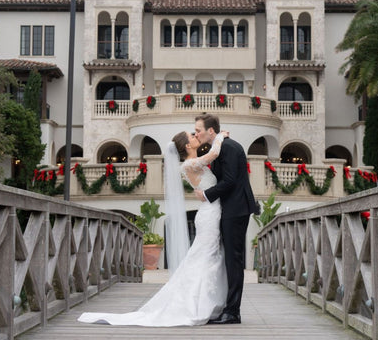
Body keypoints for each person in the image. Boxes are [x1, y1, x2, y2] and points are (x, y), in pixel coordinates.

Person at [78, 130, 229, 326]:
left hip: (210, 211)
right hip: (209, 214)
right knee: (205, 256)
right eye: (192, 135)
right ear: (187, 146)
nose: (195, 136)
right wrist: (220, 136)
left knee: (207, 256)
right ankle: (198, 304)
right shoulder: (190, 164)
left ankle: (209, 302)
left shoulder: (195, 162)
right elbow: (214, 154)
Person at [194, 114, 259, 325]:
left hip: (236, 208)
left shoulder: (229, 148)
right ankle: (228, 308)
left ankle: (233, 312)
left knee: (234, 260)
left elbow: (230, 180)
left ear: (210, 131)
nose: (197, 133)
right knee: (230, 259)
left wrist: (207, 194)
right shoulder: (220, 146)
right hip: (229, 208)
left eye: (199, 130)